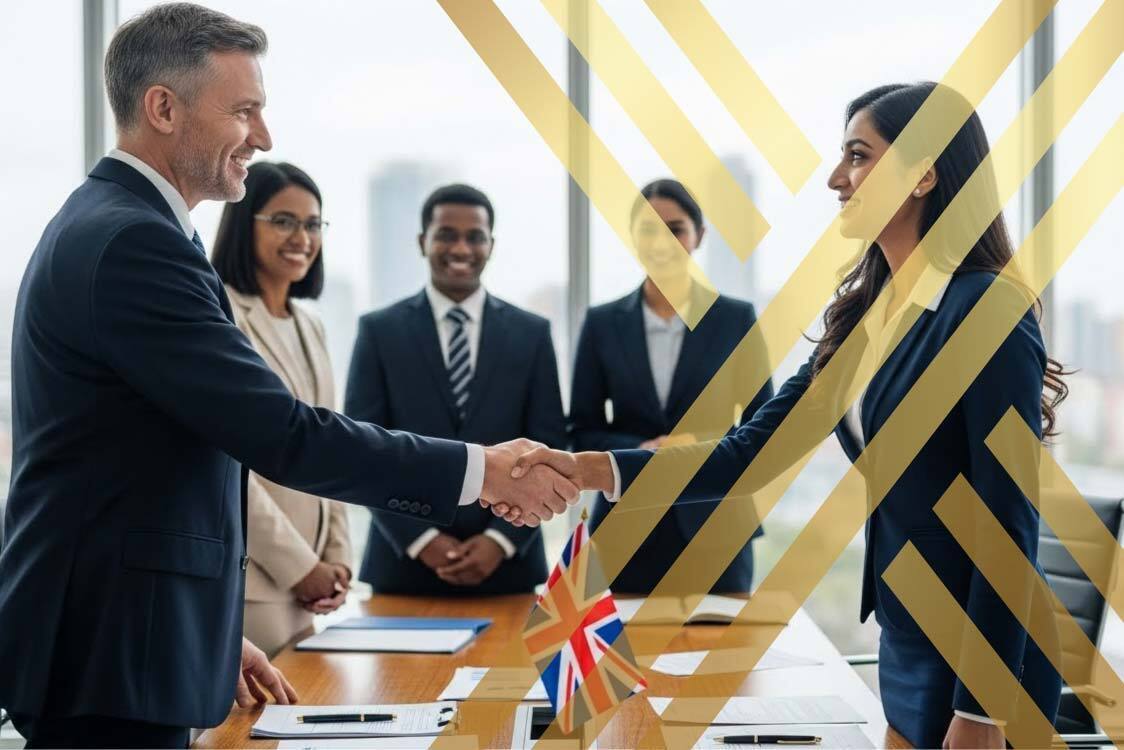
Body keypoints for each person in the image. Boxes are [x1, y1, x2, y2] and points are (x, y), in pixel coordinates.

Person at [0, 5, 574, 747]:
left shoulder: (117, 225)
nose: (263, 137)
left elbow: (145, 463)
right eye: (244, 111)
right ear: (163, 108)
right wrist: (482, 471)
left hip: (129, 637)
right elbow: (279, 433)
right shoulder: (135, 242)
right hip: (109, 650)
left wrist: (204, 633)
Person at [499, 83, 1066, 749]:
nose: (836, 178)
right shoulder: (868, 317)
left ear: (924, 175)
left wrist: (981, 712)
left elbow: (1008, 524)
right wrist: (584, 466)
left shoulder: (982, 308)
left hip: (984, 659)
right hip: (910, 636)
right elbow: (749, 453)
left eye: (858, 156)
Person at [346, 184, 565, 595]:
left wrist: (499, 541)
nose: (461, 247)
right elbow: (363, 447)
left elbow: (549, 445)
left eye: (475, 236)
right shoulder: (379, 331)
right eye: (446, 234)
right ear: (422, 241)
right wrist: (422, 540)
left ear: (491, 245)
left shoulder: (532, 333)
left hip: (509, 571)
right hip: (404, 569)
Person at [570, 179, 772, 594]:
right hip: (626, 523)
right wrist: (643, 451)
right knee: (621, 651)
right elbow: (581, 430)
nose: (661, 242)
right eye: (648, 230)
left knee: (722, 655)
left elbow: (764, 428)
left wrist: (690, 443)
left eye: (675, 229)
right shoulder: (601, 324)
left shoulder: (735, 320)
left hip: (716, 524)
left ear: (699, 236)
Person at [211, 161, 352, 656]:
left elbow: (329, 443)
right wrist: (301, 568)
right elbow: (230, 468)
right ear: (243, 221)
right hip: (258, 582)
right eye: (284, 221)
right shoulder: (221, 313)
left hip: (311, 587)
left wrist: (336, 558)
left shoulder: (309, 323)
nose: (302, 237)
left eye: (313, 224)